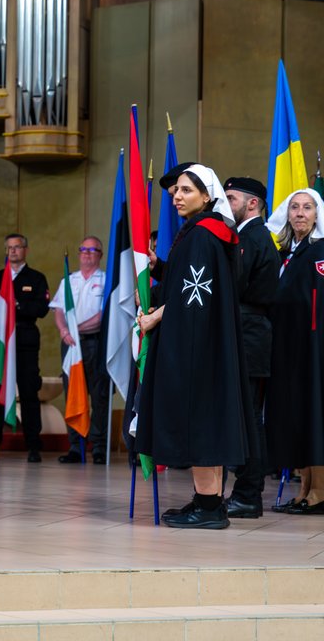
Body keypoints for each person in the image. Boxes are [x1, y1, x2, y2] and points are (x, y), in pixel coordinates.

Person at [136, 163, 249, 530]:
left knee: (199, 419)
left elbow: (193, 296)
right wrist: (158, 267)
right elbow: (188, 280)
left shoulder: (201, 235)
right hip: (209, 341)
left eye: (186, 190)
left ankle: (209, 507)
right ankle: (207, 501)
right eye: (175, 192)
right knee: (208, 419)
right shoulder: (209, 231)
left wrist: (155, 318)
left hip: (197, 346)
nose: (177, 197)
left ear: (206, 195)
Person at [263, 188, 324, 515]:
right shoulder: (287, 253)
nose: (300, 213)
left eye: (308, 207)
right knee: (298, 416)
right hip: (290, 349)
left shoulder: (320, 251)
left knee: (314, 416)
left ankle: (320, 492)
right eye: (295, 207)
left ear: (317, 214)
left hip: (313, 348)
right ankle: (304, 490)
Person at [221, 177, 280, 518]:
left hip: (249, 333)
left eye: (231, 198)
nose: (225, 203)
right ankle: (245, 491)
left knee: (249, 418)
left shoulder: (252, 237)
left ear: (252, 203)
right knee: (245, 416)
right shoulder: (248, 236)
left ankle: (248, 494)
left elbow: (233, 285)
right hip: (247, 330)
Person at [0, 234, 50, 462]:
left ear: (26, 250)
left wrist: (17, 305)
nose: (13, 251)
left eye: (17, 247)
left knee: (28, 394)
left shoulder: (36, 278)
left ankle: (33, 446)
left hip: (24, 342)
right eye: (9, 248)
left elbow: (42, 308)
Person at [50, 236, 108, 465]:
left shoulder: (106, 279)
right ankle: (76, 447)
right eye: (83, 249)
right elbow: (58, 310)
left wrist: (75, 328)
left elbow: (103, 315)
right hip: (70, 343)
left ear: (100, 255)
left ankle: (99, 447)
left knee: (99, 396)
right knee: (73, 393)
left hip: (95, 342)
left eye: (92, 250)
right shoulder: (69, 280)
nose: (86, 253)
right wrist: (64, 330)